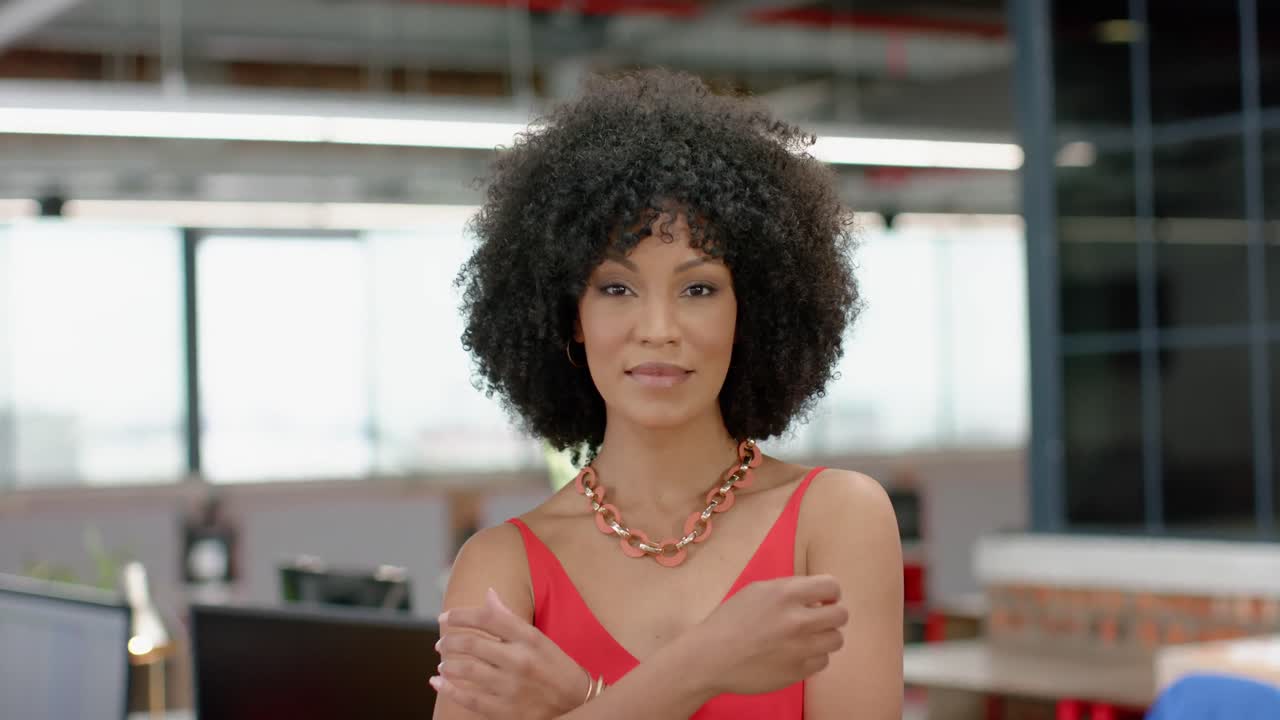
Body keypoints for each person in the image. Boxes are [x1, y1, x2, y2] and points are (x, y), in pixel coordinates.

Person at [432, 68, 903, 720]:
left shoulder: (837, 520)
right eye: (617, 288)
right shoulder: (500, 567)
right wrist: (705, 663)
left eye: (699, 289)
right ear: (571, 315)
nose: (658, 330)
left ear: (750, 312)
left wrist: (580, 702)